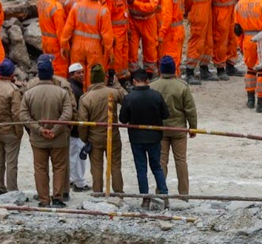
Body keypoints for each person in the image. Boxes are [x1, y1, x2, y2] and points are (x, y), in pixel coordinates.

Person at [21, 55, 75, 207]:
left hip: (38, 139)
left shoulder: (29, 93)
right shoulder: (61, 92)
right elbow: (67, 113)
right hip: (58, 139)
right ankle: (57, 198)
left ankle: (44, 199)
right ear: (52, 73)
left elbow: (23, 115)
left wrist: (39, 130)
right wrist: (56, 129)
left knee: (40, 169)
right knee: (59, 167)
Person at [151, 55, 197, 197]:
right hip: (179, 129)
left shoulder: (153, 86)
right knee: (181, 161)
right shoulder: (182, 86)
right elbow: (190, 109)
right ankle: (183, 193)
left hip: (160, 130)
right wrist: (193, 127)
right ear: (174, 69)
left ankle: (160, 192)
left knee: (161, 162)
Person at [119, 69, 169, 197]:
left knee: (141, 169)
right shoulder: (156, 95)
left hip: (137, 138)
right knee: (156, 167)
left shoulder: (129, 98)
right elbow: (165, 114)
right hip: (154, 137)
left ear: (134, 81)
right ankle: (163, 194)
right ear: (147, 81)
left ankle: (145, 197)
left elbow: (123, 119)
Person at [78, 63, 125, 196]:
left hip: (94, 137)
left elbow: (82, 123)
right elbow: (126, 98)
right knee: (115, 165)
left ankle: (97, 192)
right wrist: (117, 85)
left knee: (96, 166)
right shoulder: (114, 92)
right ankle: (118, 192)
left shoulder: (86, 98)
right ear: (103, 78)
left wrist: (85, 138)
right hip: (113, 135)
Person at [61, 0, 115, 79]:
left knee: (77, 73)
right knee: (93, 75)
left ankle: (77, 93)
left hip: (77, 46)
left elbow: (68, 28)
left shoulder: (76, 6)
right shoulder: (103, 11)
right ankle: (90, 94)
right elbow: (107, 36)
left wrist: (64, 45)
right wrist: (110, 52)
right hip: (94, 48)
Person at [0, 59, 23, 194]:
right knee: (11, 162)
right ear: (11, 74)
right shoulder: (13, 90)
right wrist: (19, 132)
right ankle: (12, 189)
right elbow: (16, 114)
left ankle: (0, 187)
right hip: (10, 130)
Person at [126, 0, 162, 77]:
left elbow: (151, 7)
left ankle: (149, 74)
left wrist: (135, 3)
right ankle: (134, 74)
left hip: (148, 21)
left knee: (150, 48)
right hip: (133, 21)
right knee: (132, 50)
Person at [184, 0, 213, 84]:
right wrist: (188, 10)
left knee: (207, 41)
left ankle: (204, 68)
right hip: (198, 13)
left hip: (204, 12)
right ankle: (189, 71)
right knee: (196, 42)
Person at [210, 0, 238, 81]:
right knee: (221, 41)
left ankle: (230, 65)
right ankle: (220, 68)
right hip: (220, 14)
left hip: (230, 11)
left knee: (232, 39)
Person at [38, 0, 69, 78]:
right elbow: (61, 31)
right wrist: (65, 47)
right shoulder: (57, 7)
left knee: (49, 64)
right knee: (59, 68)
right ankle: (59, 88)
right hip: (55, 43)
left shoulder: (42, 0)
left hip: (45, 40)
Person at [66, 62, 90, 193]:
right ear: (71, 75)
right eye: (78, 73)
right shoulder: (76, 90)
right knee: (79, 157)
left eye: (82, 72)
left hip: (72, 130)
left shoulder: (72, 87)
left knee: (72, 156)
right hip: (77, 130)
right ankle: (79, 183)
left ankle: (71, 179)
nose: (81, 75)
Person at [105, 0, 132, 80]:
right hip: (116, 32)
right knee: (116, 56)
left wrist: (128, 28)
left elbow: (124, 13)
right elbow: (107, 18)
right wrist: (111, 35)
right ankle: (117, 79)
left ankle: (123, 76)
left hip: (123, 31)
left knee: (124, 54)